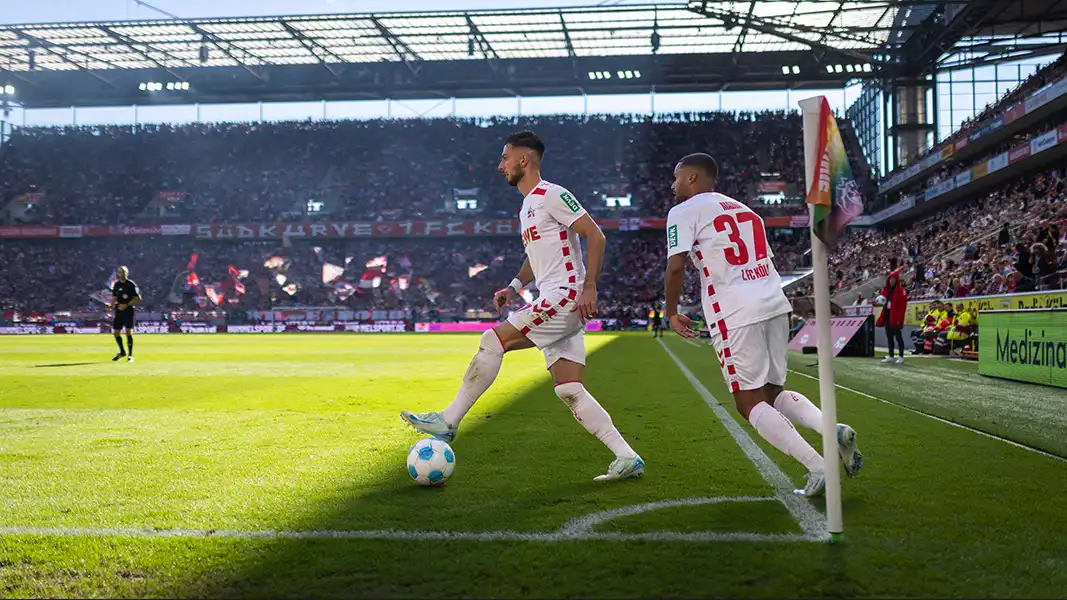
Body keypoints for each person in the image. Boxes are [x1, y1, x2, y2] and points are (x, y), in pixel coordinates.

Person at [401, 131, 643, 481]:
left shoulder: (552, 195)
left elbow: (596, 235)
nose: (500, 166)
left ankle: (448, 420)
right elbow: (535, 257)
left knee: (492, 340)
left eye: (504, 158)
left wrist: (589, 287)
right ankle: (627, 456)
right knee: (569, 389)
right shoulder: (528, 206)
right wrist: (514, 286)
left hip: (565, 294)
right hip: (556, 297)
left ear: (523, 160)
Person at [662, 152, 861, 497]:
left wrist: (671, 310)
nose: (672, 184)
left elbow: (676, 265)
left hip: (735, 310)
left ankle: (818, 466)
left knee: (747, 401)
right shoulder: (746, 211)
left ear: (693, 178)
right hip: (773, 303)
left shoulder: (683, 211)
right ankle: (832, 430)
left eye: (677, 177)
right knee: (772, 392)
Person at [876, 270, 907, 364]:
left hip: (895, 316)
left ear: (896, 279)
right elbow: (881, 301)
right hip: (887, 315)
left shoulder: (901, 290)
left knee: (898, 337)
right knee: (889, 337)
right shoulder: (886, 290)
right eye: (890, 279)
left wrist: (900, 318)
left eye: (893, 279)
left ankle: (901, 356)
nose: (891, 281)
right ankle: (891, 356)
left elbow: (902, 305)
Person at [110, 265, 140, 362]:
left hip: (128, 310)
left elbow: (138, 298)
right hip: (118, 311)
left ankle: (130, 355)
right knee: (116, 333)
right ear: (117, 273)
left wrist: (126, 305)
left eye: (123, 272)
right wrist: (111, 306)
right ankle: (122, 352)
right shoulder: (116, 285)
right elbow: (114, 297)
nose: (121, 274)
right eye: (120, 272)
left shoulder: (131, 284)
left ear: (127, 273)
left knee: (128, 332)